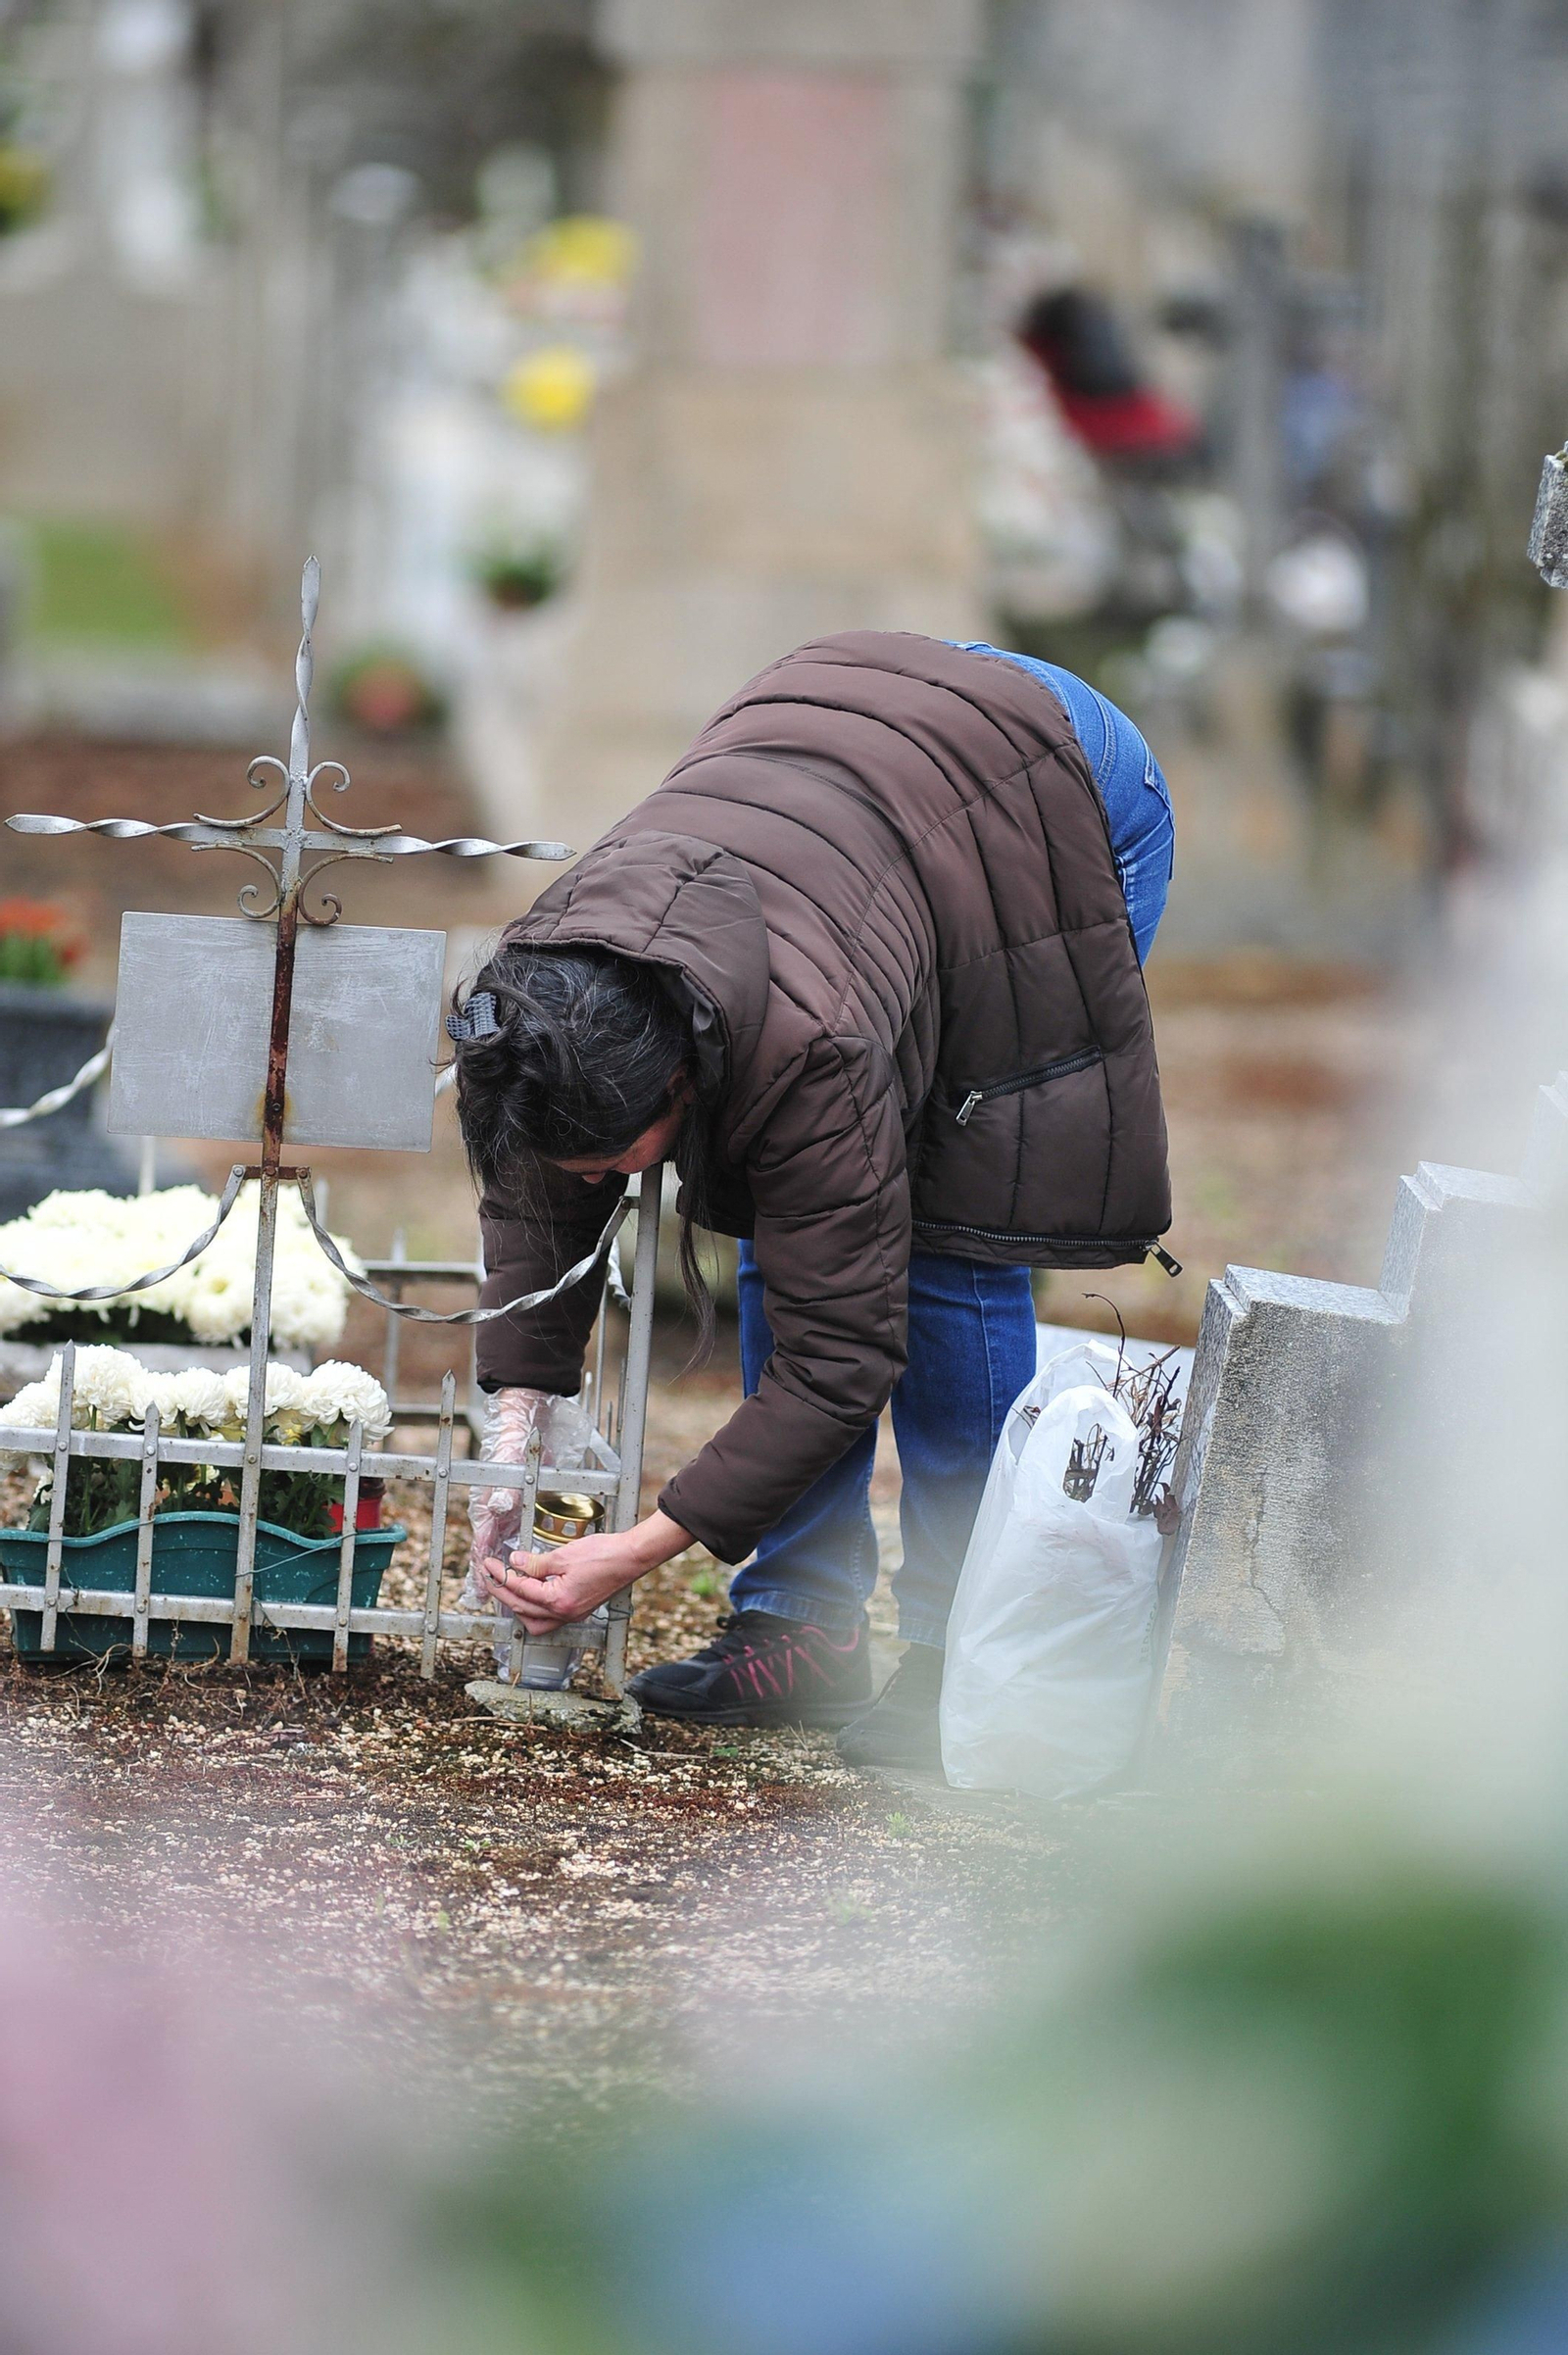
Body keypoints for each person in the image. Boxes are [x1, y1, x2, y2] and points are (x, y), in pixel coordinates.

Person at [451, 633, 1175, 1770]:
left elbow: (841, 1350)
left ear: (679, 1077)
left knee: (947, 1245)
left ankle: (956, 1648)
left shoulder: (810, 1045)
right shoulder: (551, 989)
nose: (596, 1183)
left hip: (1043, 794)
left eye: (614, 1160)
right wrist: (519, 1407)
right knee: (785, 1218)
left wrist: (640, 1547)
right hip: (854, 761)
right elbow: (541, 1179)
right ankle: (800, 1631)